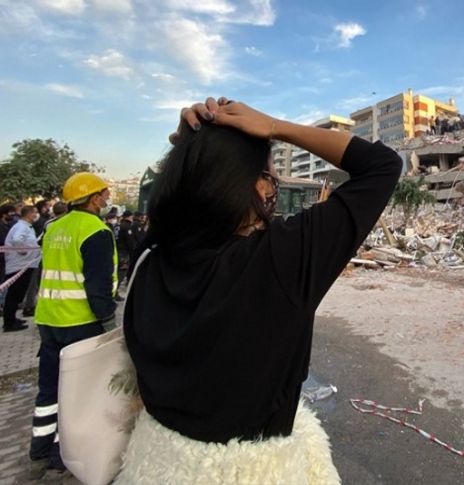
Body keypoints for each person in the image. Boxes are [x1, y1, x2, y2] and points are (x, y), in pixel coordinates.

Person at [116, 96, 401, 484]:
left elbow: (182, 196)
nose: (273, 188)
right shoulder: (279, 260)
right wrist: (274, 127)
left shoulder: (152, 258)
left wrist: (190, 147)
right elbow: (382, 166)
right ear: (248, 185)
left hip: (154, 465)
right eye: (269, 175)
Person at [30, 173, 118, 473]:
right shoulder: (96, 231)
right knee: (77, 392)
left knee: (49, 386)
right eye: (104, 195)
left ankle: (39, 445)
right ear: (93, 198)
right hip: (81, 322)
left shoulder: (53, 228)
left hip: (48, 319)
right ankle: (61, 453)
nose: (107, 199)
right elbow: (98, 286)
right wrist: (109, 324)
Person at [3, 205, 40, 332]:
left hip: (25, 265)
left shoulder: (25, 227)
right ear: (29, 214)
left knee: (17, 295)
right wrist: (24, 251)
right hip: (18, 266)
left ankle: (12, 318)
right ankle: (9, 322)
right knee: (14, 295)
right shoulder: (21, 227)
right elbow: (17, 240)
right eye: (34, 213)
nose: (36, 215)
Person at [117, 210, 136, 286]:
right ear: (129, 216)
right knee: (123, 270)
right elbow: (130, 240)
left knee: (121, 270)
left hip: (120, 250)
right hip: (124, 252)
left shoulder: (121, 225)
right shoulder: (127, 226)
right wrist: (133, 249)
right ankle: (116, 290)